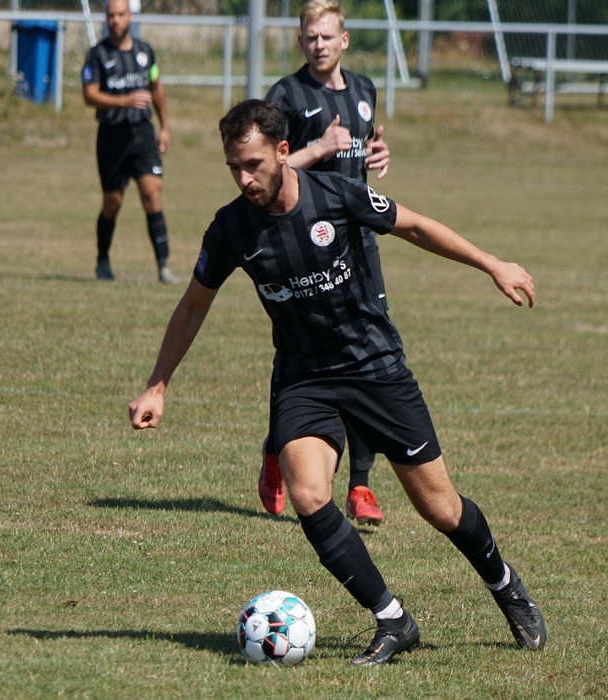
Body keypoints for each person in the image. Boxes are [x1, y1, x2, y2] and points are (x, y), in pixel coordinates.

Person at [129, 100, 546, 665]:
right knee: (307, 494)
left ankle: (505, 584)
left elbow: (415, 225)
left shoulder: (335, 196)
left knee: (440, 509)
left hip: (374, 367)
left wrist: (492, 263)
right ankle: (392, 619)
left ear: (283, 151)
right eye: (233, 168)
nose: (244, 179)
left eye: (252, 165)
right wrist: (158, 384)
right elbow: (192, 305)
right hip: (303, 378)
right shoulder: (230, 228)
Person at [259, 0, 390, 525]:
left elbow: (364, 150)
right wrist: (318, 148)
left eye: (327, 37)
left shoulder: (364, 90)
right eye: (311, 37)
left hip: (360, 241)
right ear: (301, 41)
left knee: (369, 352)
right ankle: (276, 448)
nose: (319, 45)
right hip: (305, 244)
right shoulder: (286, 95)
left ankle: (361, 486)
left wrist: (377, 154)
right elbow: (267, 166)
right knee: (299, 351)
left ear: (344, 40)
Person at [82, 0, 178, 285]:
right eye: (111, 15)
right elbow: (89, 94)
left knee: (152, 194)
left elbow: (156, 86)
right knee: (112, 202)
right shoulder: (97, 54)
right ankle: (102, 260)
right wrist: (125, 100)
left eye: (120, 15)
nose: (115, 20)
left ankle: (164, 266)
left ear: (130, 16)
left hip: (142, 134)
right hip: (111, 137)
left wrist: (165, 127)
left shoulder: (145, 51)